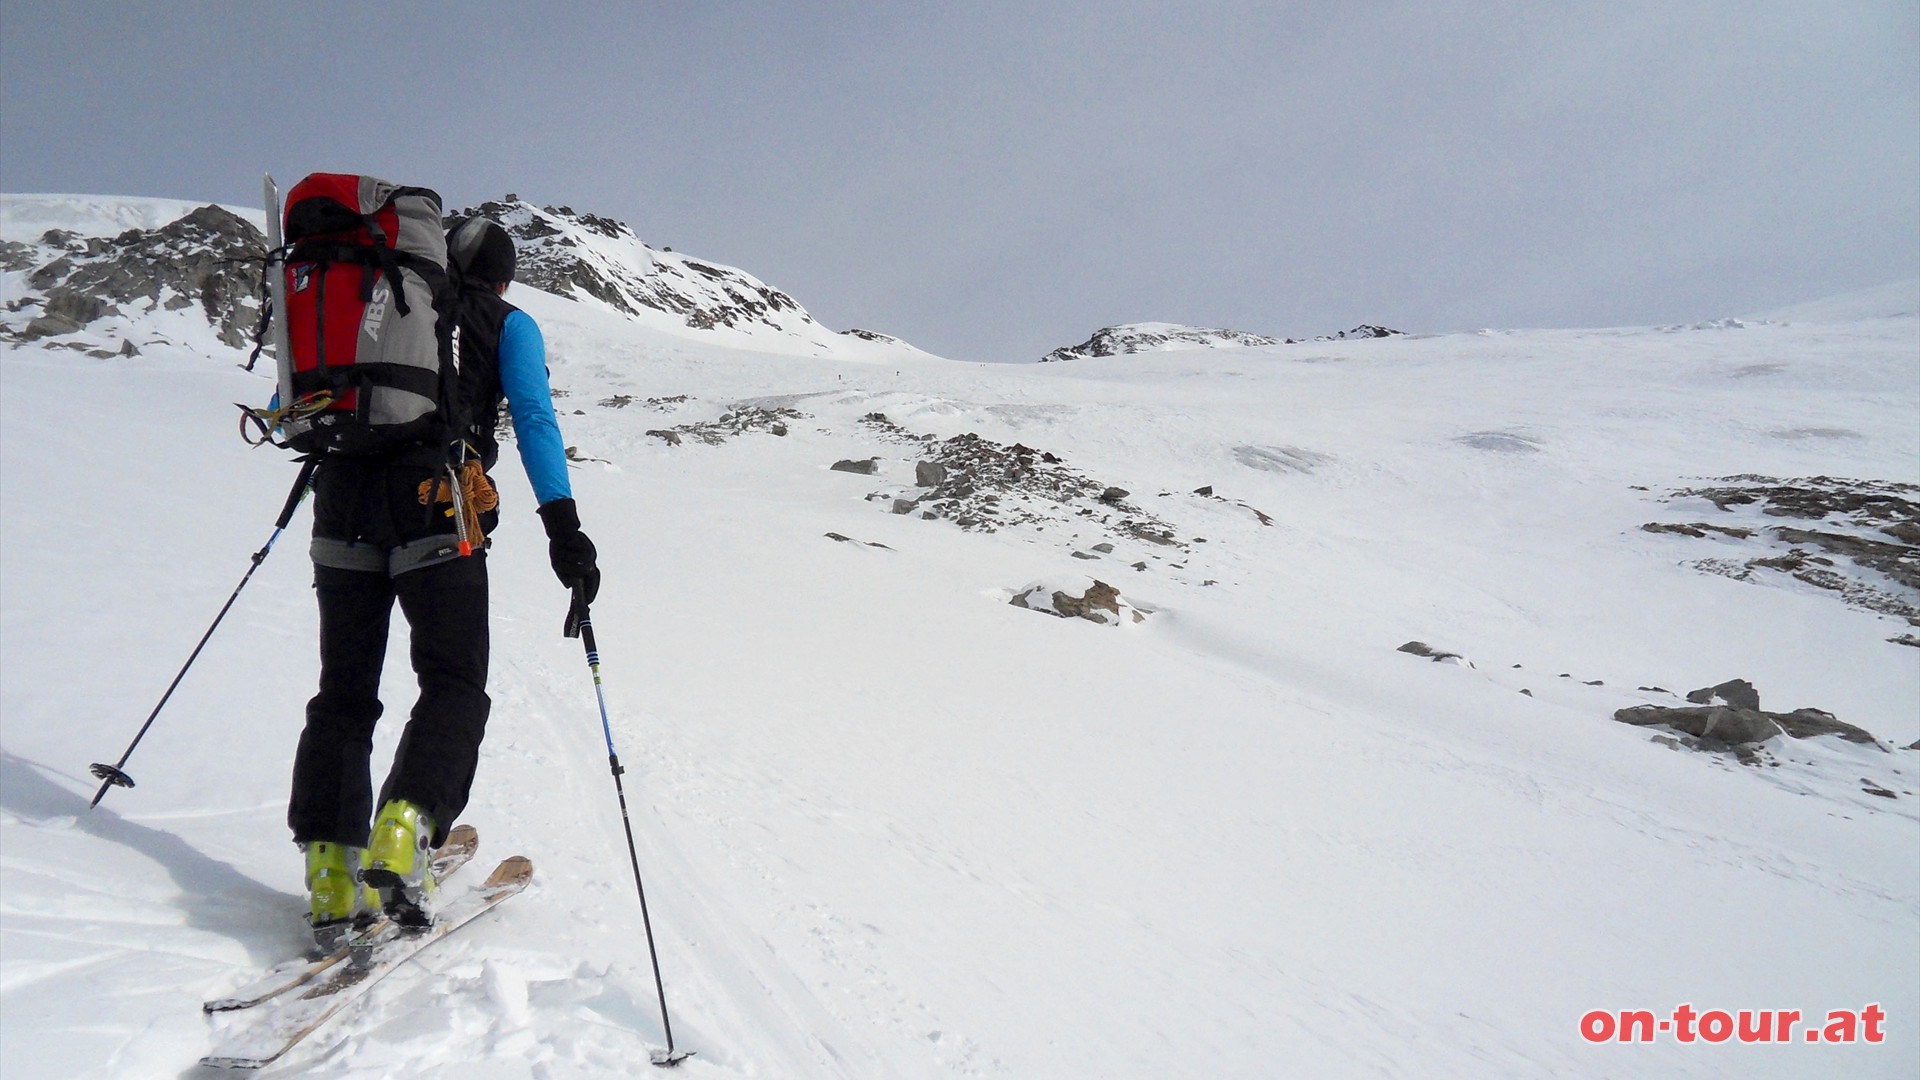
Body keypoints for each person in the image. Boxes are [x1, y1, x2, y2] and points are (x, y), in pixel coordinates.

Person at [287, 217, 598, 942]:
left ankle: (330, 871)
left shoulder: (385, 302)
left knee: (344, 688)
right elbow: (535, 418)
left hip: (341, 502)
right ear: (502, 276)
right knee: (454, 680)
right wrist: (564, 531)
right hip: (437, 503)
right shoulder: (508, 322)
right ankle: (406, 831)